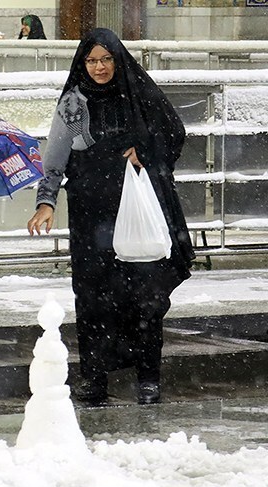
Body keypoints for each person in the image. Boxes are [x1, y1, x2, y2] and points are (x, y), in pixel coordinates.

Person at [26, 28, 195, 406]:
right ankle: (95, 378)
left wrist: (146, 152)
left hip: (137, 211)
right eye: (91, 60)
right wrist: (46, 201)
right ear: (82, 63)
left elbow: (174, 132)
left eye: (106, 59)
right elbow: (55, 157)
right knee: (94, 298)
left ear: (118, 60)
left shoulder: (138, 94)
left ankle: (148, 377)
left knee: (145, 296)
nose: (99, 67)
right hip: (91, 217)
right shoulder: (74, 103)